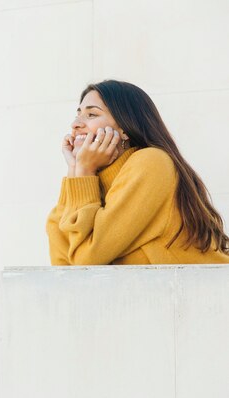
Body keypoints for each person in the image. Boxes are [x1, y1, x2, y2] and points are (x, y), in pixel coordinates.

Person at [46, 79, 229, 265]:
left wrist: (84, 172)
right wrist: (74, 171)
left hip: (205, 291)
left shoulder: (151, 162)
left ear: (124, 128)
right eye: (78, 114)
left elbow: (85, 262)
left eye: (91, 114)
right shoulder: (93, 180)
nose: (75, 124)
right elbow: (63, 265)